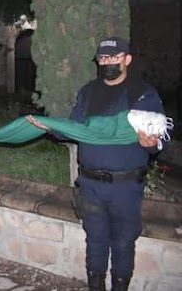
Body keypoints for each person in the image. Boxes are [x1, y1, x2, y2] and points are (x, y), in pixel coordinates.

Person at [27, 36, 165, 291]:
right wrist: (51, 127)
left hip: (125, 185)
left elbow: (158, 140)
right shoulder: (88, 91)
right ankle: (95, 285)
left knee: (123, 242)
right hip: (90, 184)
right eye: (103, 58)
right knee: (95, 239)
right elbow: (74, 128)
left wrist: (151, 144)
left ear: (127, 59)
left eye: (114, 57)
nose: (108, 62)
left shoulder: (143, 94)